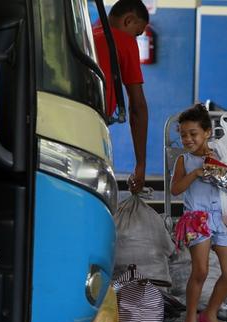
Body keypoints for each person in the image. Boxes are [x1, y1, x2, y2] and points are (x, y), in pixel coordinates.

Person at [171, 104, 227, 322]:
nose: (188, 139)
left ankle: (209, 314)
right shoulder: (184, 160)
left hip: (221, 217)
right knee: (200, 270)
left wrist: (216, 168)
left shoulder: (220, 153)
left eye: (193, 134)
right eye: (183, 135)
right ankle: (190, 320)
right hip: (196, 218)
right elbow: (175, 190)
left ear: (207, 133)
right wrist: (196, 173)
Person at [93, 0, 149, 193]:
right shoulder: (124, 41)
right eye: (137, 32)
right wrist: (140, 165)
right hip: (93, 126)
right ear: (128, 20)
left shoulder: (86, 33)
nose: (136, 38)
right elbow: (137, 106)